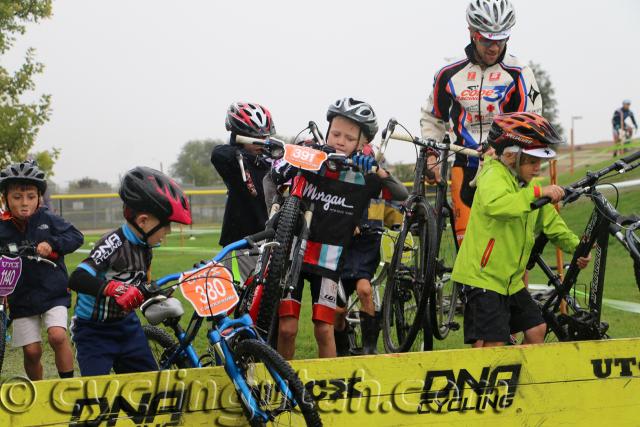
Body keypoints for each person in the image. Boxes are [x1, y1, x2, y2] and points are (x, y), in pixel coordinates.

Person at [273, 98, 408, 359]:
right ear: (327, 131)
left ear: (362, 143)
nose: (340, 141)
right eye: (335, 133)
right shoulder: (313, 160)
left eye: (348, 137)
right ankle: (281, 386)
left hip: (329, 259)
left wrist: (377, 171)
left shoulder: (363, 175)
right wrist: (301, 156)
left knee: (324, 329)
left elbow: (400, 193)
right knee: (287, 329)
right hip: (294, 256)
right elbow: (278, 173)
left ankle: (329, 386)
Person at [451, 112, 591, 348]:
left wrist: (577, 248)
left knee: (537, 329)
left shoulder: (530, 185)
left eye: (540, 162)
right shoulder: (493, 174)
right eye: (532, 161)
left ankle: (518, 383)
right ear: (511, 156)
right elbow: (499, 206)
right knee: (492, 343)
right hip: (482, 277)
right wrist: (538, 193)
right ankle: (485, 384)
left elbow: (551, 224)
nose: (538, 168)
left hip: (511, 281)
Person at [420, 0, 543, 245]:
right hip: (464, 164)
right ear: (472, 33)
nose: (495, 47)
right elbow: (433, 117)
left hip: (506, 168)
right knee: (468, 246)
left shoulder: (519, 73)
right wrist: (432, 155)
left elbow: (532, 123)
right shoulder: (449, 73)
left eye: (501, 39)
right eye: (487, 39)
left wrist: (502, 149)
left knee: (509, 245)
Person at [68, 167, 192, 376]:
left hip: (127, 327)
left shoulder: (146, 247)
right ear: (143, 221)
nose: (168, 232)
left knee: (148, 391)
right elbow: (77, 278)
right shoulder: (113, 243)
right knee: (97, 397)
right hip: (93, 332)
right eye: (166, 225)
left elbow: (139, 284)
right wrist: (113, 289)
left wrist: (154, 293)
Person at [0, 161, 83, 380]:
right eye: (17, 197)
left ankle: (68, 385)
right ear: (5, 199)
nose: (24, 203)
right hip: (21, 297)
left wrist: (53, 244)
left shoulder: (49, 219)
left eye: (30, 196)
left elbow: (76, 237)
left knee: (57, 336)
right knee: (32, 351)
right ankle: (39, 393)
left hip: (52, 291)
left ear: (39, 197)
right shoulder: (2, 228)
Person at [211, 102, 275, 283]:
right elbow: (218, 154)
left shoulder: (270, 164)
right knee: (218, 301)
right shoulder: (234, 161)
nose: (262, 141)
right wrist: (242, 152)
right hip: (239, 245)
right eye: (254, 136)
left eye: (264, 135)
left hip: (267, 245)